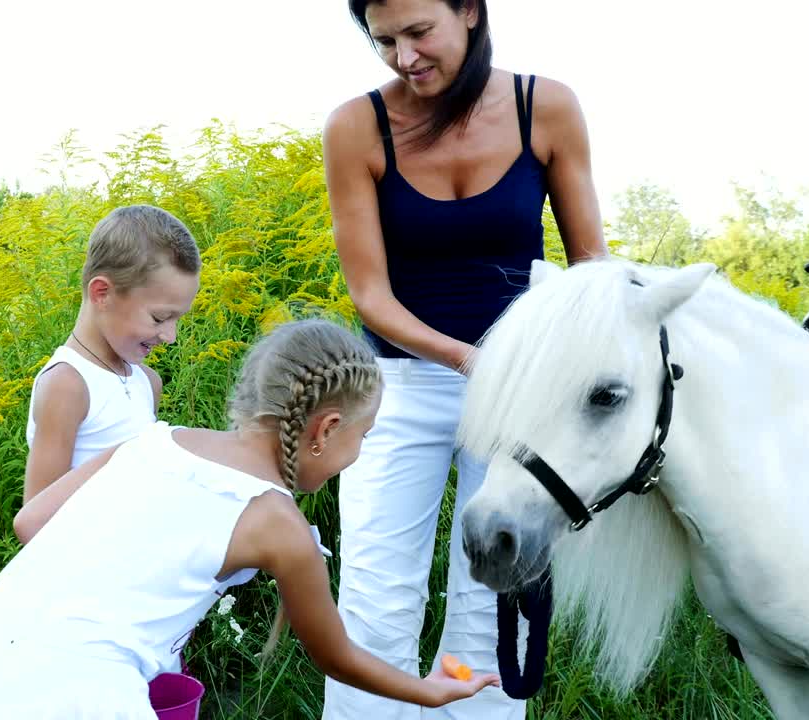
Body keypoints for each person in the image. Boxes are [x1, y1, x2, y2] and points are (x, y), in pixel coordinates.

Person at [0, 319, 500, 719]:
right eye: (364, 435)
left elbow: (32, 522)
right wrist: (428, 692)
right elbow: (336, 656)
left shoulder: (156, 441)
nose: (358, 452)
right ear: (327, 429)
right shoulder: (276, 523)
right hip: (87, 690)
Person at [320, 1, 608, 718]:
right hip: (396, 387)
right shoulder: (357, 126)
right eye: (383, 40)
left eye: (419, 33)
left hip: (518, 398)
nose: (403, 57)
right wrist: (466, 358)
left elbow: (589, 268)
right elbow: (371, 296)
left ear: (470, 11)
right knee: (376, 595)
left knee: (494, 596)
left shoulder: (547, 107)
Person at [23, 204, 201, 503]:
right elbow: (36, 519)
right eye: (159, 318)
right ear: (102, 293)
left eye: (177, 320)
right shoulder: (67, 385)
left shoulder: (147, 381)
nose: (170, 337)